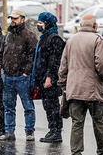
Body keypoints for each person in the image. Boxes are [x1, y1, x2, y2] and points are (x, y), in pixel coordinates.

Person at [58, 15, 103, 155]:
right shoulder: (98, 40)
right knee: (98, 121)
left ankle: (76, 151)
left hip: (74, 89)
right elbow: (102, 64)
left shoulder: (71, 40)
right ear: (95, 25)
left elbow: (63, 66)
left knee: (77, 122)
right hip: (93, 90)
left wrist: (64, 84)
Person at [0, 9, 37, 141]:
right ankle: (9, 132)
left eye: (15, 18)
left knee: (28, 106)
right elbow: (1, 51)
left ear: (22, 19)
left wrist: (26, 72)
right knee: (8, 107)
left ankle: (29, 132)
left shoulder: (29, 35)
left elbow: (32, 56)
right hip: (7, 76)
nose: (12, 20)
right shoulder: (7, 35)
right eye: (11, 18)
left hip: (22, 77)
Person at [35, 12, 65, 143]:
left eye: (41, 23)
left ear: (47, 24)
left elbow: (54, 61)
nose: (39, 25)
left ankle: (56, 131)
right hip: (43, 77)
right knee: (47, 105)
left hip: (50, 79)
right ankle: (52, 129)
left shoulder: (54, 39)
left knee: (53, 106)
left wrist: (50, 77)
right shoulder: (44, 38)